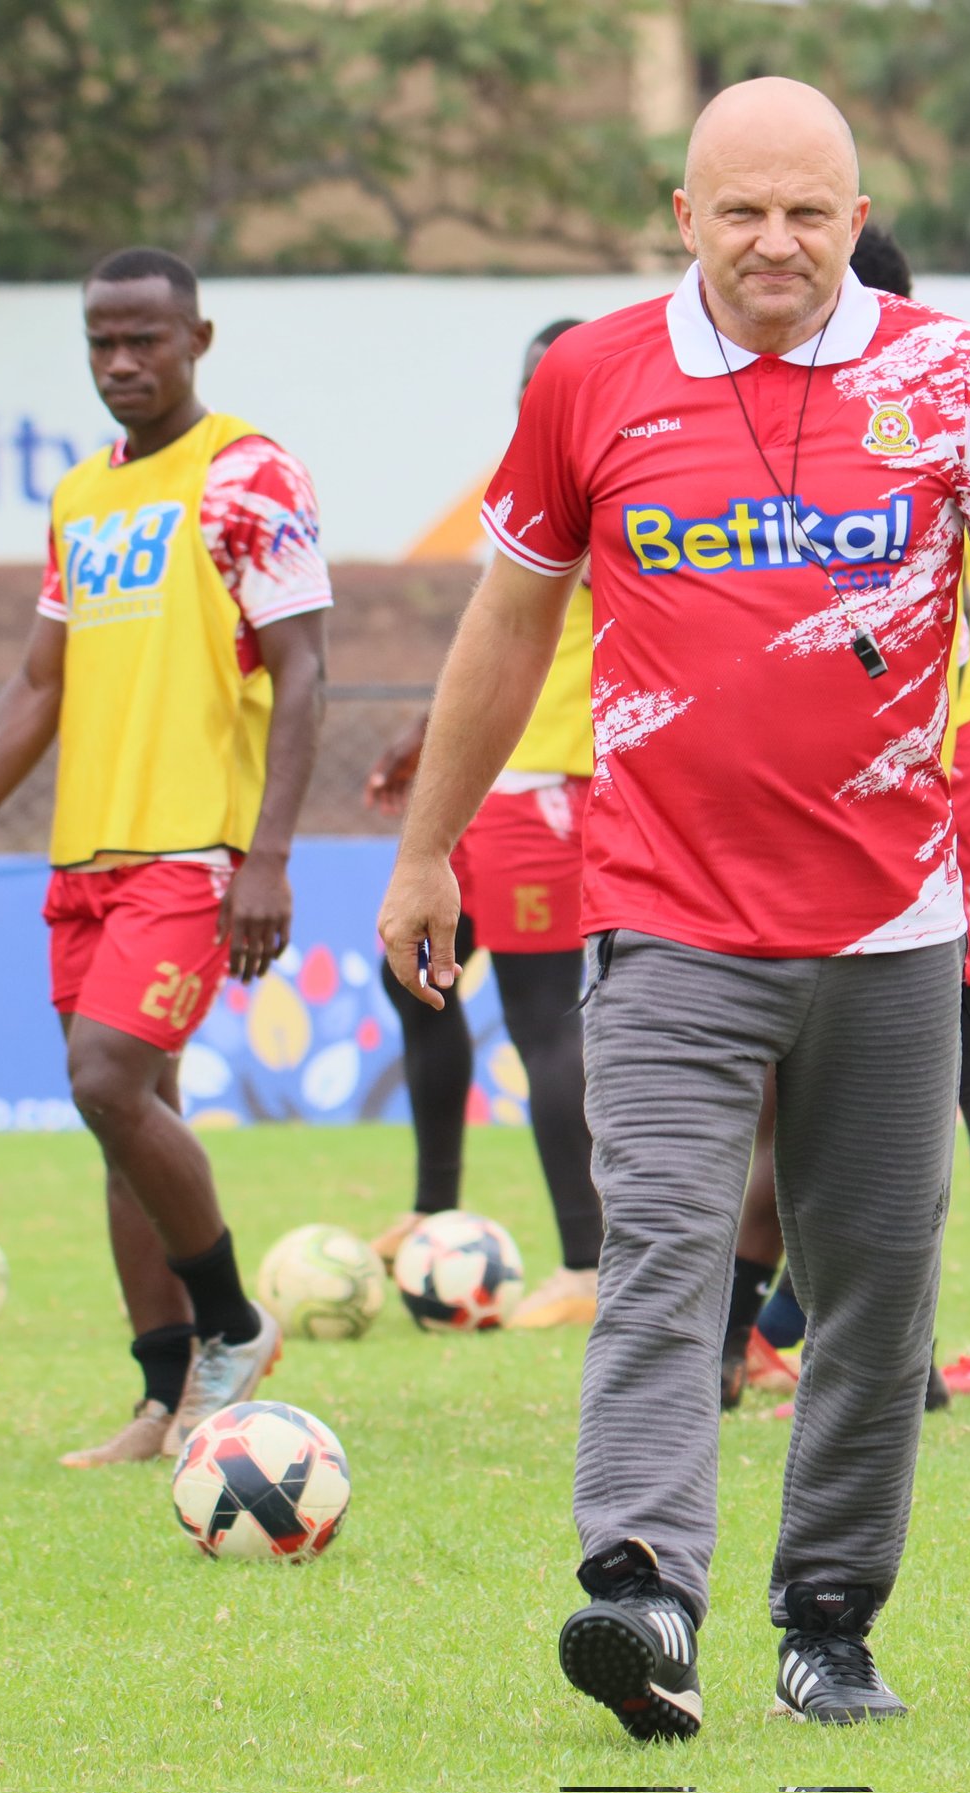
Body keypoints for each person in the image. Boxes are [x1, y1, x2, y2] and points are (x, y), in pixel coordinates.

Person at [378, 77, 970, 1738]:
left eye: (806, 214)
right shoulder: (589, 379)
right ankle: (641, 1590)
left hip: (892, 925)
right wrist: (425, 848)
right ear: (684, 216)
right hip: (663, 913)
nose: (774, 243)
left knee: (877, 1283)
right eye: (740, 211)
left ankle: (825, 1617)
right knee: (665, 1248)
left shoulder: (947, 374)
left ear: (853, 213)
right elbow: (508, 630)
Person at [0, 247, 329, 1466]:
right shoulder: (83, 495)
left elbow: (302, 668)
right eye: (103, 343)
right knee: (125, 1118)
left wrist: (268, 855)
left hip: (192, 848)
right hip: (83, 850)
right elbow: (41, 681)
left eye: (146, 338)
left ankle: (235, 1324)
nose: (123, 361)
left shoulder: (246, 473)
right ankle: (164, 1394)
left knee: (105, 1080)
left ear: (200, 337)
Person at [722, 223, 970, 1404]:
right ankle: (780, 1327)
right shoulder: (942, 407)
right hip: (948, 748)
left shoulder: (891, 418)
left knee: (931, 1052)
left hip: (929, 764)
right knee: (855, 1051)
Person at [362, 320, 605, 1330]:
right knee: (411, 971)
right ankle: (433, 1206)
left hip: (551, 783)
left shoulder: (612, 483)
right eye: (529, 383)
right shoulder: (530, 480)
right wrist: (429, 739)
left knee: (542, 1015)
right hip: (493, 781)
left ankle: (587, 1264)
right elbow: (497, 637)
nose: (539, 399)